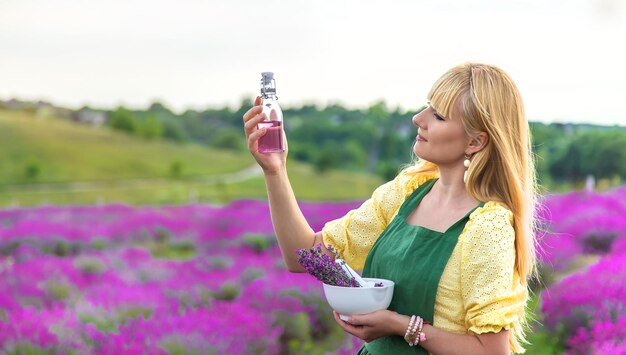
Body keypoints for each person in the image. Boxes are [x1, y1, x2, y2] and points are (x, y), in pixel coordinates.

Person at [243, 63, 537, 354]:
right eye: (426, 106)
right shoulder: (406, 193)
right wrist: (275, 170)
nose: (417, 119)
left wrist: (400, 326)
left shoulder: (488, 225)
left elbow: (492, 351)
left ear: (475, 141)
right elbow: (306, 255)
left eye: (437, 115)